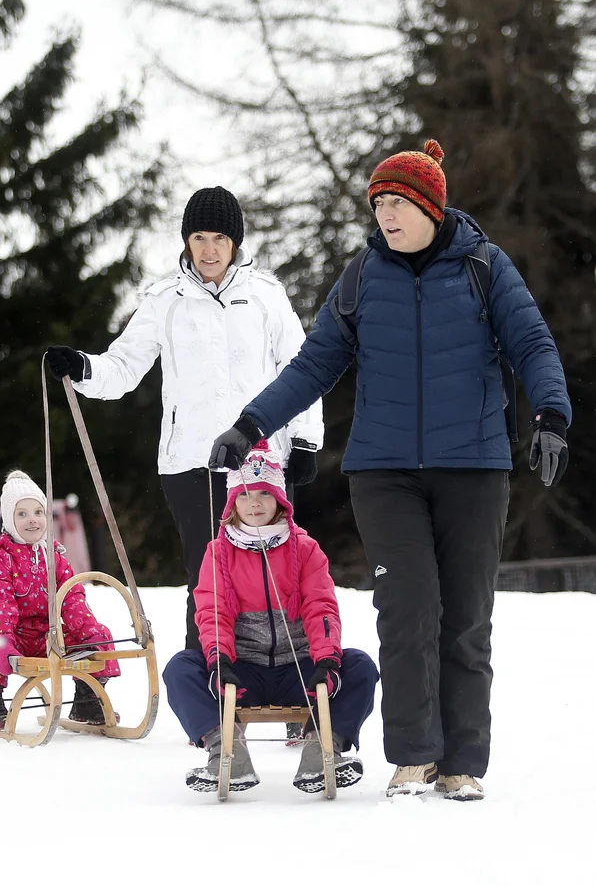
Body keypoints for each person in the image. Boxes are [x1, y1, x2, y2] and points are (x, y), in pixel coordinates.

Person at [209, 140, 571, 801]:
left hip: (475, 468)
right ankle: (413, 753)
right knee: (406, 609)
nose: (387, 217)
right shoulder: (361, 279)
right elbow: (313, 365)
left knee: (464, 615)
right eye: (378, 205)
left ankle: (462, 760)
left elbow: (533, 343)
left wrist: (551, 413)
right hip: (385, 472)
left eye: (398, 203)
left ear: (432, 207)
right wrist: (250, 425)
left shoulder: (485, 268)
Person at [45, 186, 323, 667]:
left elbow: (301, 369)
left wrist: (304, 440)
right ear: (186, 241)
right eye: (199, 237)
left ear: (235, 242)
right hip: (189, 461)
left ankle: (290, 686)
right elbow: (125, 365)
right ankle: (211, 691)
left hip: (260, 461)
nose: (210, 249)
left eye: (219, 237)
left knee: (274, 574)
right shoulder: (163, 300)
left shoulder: (266, 296)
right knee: (206, 578)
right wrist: (85, 368)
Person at [163, 440, 379, 793]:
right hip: (241, 668)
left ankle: (321, 748)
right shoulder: (218, 552)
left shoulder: (305, 548)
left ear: (280, 499)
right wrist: (220, 660)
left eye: (264, 494)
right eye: (246, 496)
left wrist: (325, 658)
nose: (255, 504)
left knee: (361, 667)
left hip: (299, 667)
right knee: (181, 669)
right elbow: (212, 610)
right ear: (233, 502)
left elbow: (320, 606)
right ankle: (225, 752)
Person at [0, 470, 120, 731]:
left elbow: (72, 598)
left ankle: (87, 700)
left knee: (100, 634)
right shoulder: (0, 562)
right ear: (9, 520)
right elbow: (1, 603)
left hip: (50, 636)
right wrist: (5, 640)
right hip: (16, 637)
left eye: (37, 512)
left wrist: (86, 631)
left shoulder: (55, 558)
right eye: (21, 514)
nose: (32, 520)